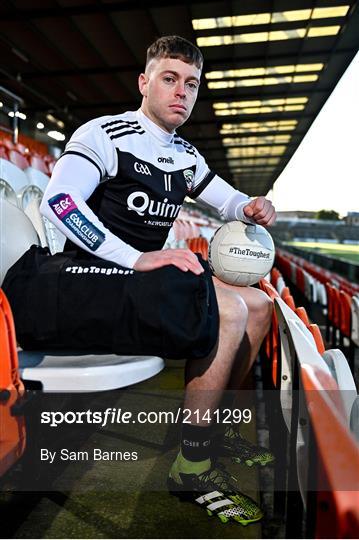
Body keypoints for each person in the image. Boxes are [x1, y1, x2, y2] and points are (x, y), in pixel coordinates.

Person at [4, 36, 276, 525]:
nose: (182, 93)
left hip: (135, 278)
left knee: (257, 306)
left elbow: (229, 199)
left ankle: (211, 429)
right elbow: (59, 204)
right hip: (88, 279)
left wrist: (252, 206)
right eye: (170, 79)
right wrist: (135, 258)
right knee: (230, 309)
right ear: (144, 82)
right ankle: (193, 465)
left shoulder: (185, 154)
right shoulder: (104, 134)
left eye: (192, 84)